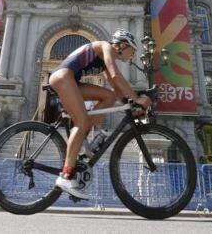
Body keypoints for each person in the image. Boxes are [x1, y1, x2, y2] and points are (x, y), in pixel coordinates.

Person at [48, 29, 152, 199]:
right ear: (123, 45)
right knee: (80, 123)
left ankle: (83, 140)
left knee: (108, 96)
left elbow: (116, 91)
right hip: (62, 77)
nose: (133, 55)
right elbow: (115, 75)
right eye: (132, 50)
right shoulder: (107, 47)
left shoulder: (104, 60)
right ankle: (66, 176)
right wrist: (137, 98)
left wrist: (132, 106)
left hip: (70, 79)